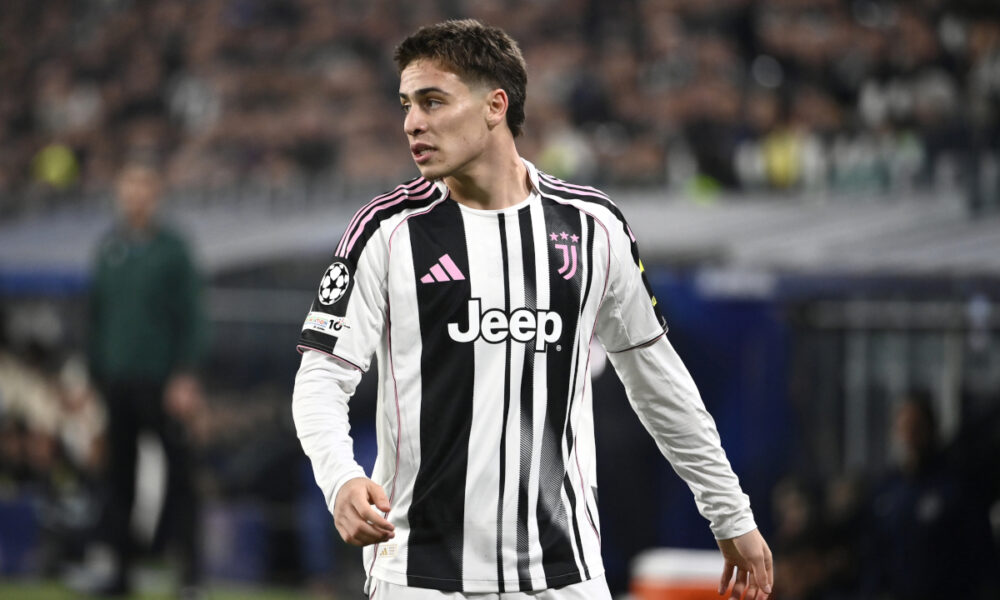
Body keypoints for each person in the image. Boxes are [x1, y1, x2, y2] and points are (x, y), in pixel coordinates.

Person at [292, 19, 773, 600]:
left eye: (433, 101)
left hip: (562, 574)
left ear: (496, 105)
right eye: (406, 105)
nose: (412, 123)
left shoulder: (592, 228)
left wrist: (730, 513)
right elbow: (320, 378)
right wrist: (341, 478)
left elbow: (660, 383)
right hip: (419, 575)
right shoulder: (386, 232)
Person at [87, 163, 206, 598]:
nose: (135, 196)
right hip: (117, 383)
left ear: (156, 195)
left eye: (143, 187)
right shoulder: (109, 247)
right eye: (128, 187)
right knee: (118, 479)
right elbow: (96, 317)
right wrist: (93, 375)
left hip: (162, 382)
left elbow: (192, 317)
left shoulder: (173, 250)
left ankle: (190, 573)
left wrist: (186, 374)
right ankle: (120, 572)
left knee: (180, 477)